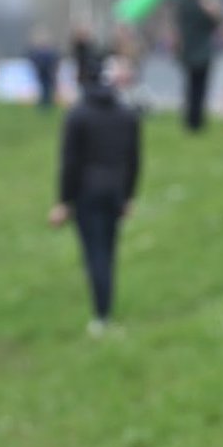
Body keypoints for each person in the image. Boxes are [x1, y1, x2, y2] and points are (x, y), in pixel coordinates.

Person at [48, 59, 141, 336]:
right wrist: (128, 195)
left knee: (95, 254)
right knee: (109, 252)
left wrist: (64, 201)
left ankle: (101, 316)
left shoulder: (78, 115)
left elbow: (70, 163)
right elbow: (134, 159)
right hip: (115, 191)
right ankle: (105, 310)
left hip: (87, 193)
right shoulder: (126, 114)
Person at [174, 0, 223, 132]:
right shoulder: (202, 7)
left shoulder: (182, 6)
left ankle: (189, 120)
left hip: (188, 52)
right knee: (200, 88)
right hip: (203, 53)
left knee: (189, 88)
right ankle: (198, 121)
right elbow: (215, 23)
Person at [26, 26, 60, 109]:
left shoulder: (49, 51)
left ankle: (47, 104)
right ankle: (44, 104)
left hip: (48, 74)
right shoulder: (38, 51)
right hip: (42, 73)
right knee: (43, 89)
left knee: (48, 89)